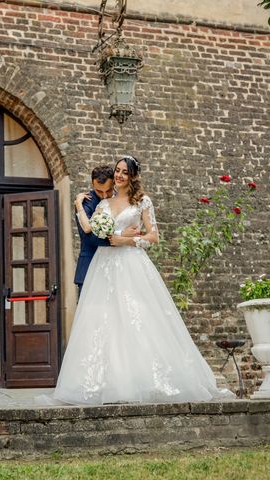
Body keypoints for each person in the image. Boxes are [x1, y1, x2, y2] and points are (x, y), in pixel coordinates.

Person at [52, 155, 235, 405]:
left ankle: (142, 380)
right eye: (117, 170)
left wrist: (126, 240)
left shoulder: (142, 201)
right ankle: (105, 383)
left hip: (129, 263)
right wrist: (78, 206)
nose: (119, 175)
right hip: (103, 267)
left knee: (135, 318)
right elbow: (89, 231)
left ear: (133, 176)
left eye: (124, 172)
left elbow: (153, 237)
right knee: (104, 322)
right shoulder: (104, 203)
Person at [74, 166, 139, 297]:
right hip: (90, 265)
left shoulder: (121, 200)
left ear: (114, 183)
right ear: (92, 184)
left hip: (117, 268)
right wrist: (121, 236)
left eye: (108, 190)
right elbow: (89, 237)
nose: (104, 196)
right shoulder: (85, 203)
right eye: (99, 191)